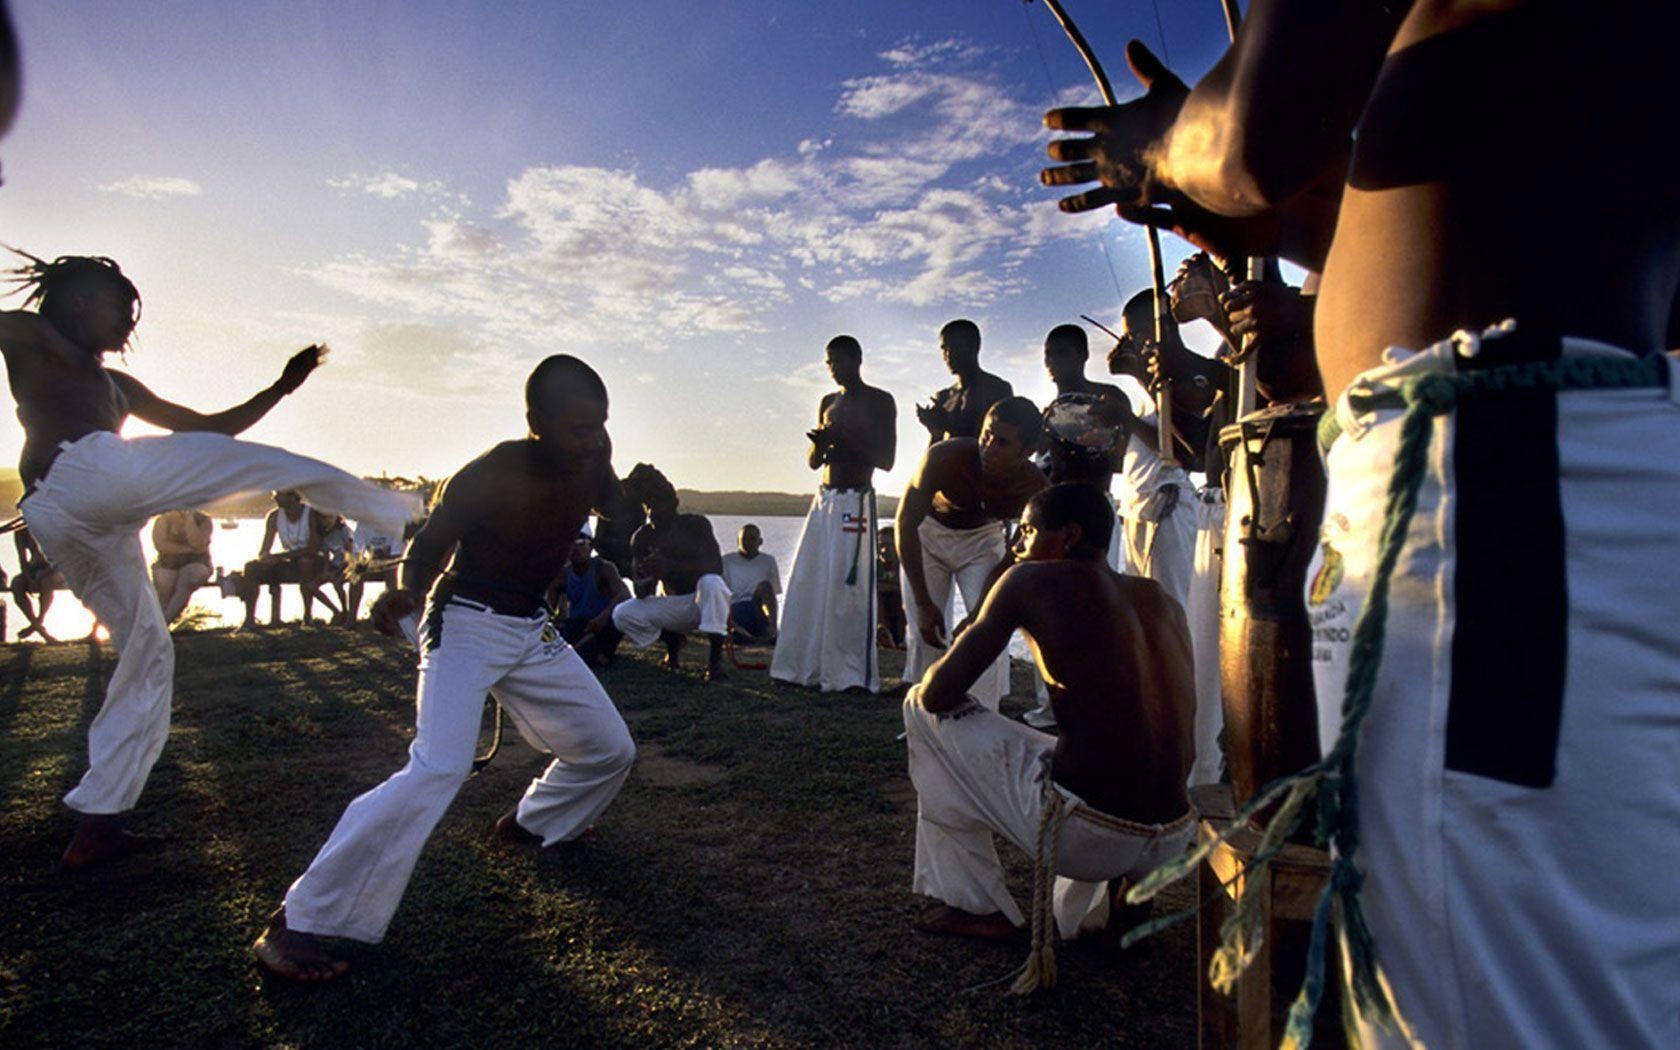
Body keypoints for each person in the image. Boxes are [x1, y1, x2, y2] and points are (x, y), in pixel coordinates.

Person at [1041, 4, 1680, 1043]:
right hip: (1550, 460)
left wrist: (1161, 147)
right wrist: (1293, 228)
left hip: (1491, 483)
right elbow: (1548, 178)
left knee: (1482, 1004)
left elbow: (1251, 138)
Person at [0, 250, 420, 871]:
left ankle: (99, 825)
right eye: (124, 310)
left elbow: (212, 427)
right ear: (81, 300)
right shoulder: (31, 335)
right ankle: (405, 515)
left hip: (83, 521)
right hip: (77, 480)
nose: (129, 328)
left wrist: (280, 387)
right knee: (262, 464)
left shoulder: (117, 386)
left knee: (148, 651)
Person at [252, 355, 635, 982]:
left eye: (600, 424)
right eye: (577, 427)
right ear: (535, 422)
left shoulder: (595, 453)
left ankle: (530, 826)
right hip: (465, 621)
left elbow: (615, 507)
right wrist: (406, 590)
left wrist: (634, 501)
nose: (592, 438)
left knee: (609, 748)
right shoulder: (493, 470)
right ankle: (298, 921)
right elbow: (429, 546)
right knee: (441, 765)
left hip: (530, 628)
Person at [903, 484, 1194, 991]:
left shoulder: (1028, 581)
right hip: (1171, 839)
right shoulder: (1159, 598)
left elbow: (939, 694)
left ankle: (975, 905)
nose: (1017, 544)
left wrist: (987, 615)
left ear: (1069, 536)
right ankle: (1119, 906)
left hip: (1091, 838)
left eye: (1030, 531)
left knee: (916, 707)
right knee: (1097, 748)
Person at [897, 397, 1046, 710]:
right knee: (928, 635)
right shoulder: (943, 457)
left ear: (1027, 451)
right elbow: (905, 522)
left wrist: (978, 613)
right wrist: (924, 603)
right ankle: (927, 720)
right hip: (928, 534)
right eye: (986, 435)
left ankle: (982, 717)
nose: (988, 447)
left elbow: (1014, 557)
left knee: (989, 630)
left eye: (1001, 442)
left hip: (984, 540)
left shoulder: (1035, 489)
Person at [771, 336, 896, 693]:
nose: (833, 368)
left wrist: (845, 439)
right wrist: (820, 442)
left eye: (838, 360)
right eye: (828, 362)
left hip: (855, 500)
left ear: (857, 359)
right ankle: (802, 665)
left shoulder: (879, 400)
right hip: (824, 500)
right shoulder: (828, 402)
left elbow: (886, 459)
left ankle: (849, 674)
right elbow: (814, 462)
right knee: (809, 580)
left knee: (847, 586)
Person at [607, 463, 731, 680]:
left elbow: (715, 567)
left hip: (701, 602)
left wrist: (671, 565)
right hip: (673, 606)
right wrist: (646, 574)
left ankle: (715, 661)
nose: (654, 511)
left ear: (672, 505)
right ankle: (671, 641)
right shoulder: (642, 537)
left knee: (712, 583)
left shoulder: (696, 525)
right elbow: (642, 594)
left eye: (659, 503)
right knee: (622, 613)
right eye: (649, 505)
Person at [237, 490, 337, 628]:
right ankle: (249, 620)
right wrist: (266, 557)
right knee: (251, 567)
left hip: (315, 561)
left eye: (280, 494)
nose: (275, 497)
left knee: (305, 562)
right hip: (289, 560)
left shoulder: (311, 515)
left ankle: (307, 616)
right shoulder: (274, 517)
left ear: (293, 496)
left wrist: (279, 557)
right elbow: (264, 548)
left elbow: (313, 548)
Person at [915, 319, 1013, 444]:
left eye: (956, 346)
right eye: (944, 348)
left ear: (974, 346)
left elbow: (1002, 442)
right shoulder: (943, 397)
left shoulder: (997, 389)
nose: (949, 354)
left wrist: (948, 425)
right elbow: (935, 449)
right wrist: (935, 429)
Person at [555, 527, 630, 651]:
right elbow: (547, 608)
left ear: (591, 546)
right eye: (570, 543)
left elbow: (625, 595)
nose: (575, 548)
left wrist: (602, 617)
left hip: (603, 624)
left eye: (580, 543)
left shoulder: (603, 568)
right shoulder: (562, 574)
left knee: (600, 638)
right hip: (578, 624)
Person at [149, 509, 213, 623]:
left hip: (197, 562)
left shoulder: (204, 521)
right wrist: (189, 549)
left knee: (189, 579)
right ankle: (158, 626)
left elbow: (198, 543)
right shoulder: (164, 520)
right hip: (168, 562)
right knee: (165, 585)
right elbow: (161, 545)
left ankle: (163, 624)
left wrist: (189, 520)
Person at [720, 522, 780, 645]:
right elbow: (719, 596)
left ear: (760, 541)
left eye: (752, 538)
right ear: (737, 541)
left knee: (765, 586)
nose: (748, 542)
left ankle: (772, 630)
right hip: (735, 609)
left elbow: (772, 595)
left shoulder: (768, 561)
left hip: (755, 608)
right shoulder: (727, 561)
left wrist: (770, 621)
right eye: (744, 539)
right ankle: (738, 632)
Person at [10, 524, 62, 641]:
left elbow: (61, 557)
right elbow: (22, 559)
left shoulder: (49, 523)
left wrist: (41, 575)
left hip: (56, 568)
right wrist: (29, 578)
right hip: (34, 568)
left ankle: (37, 624)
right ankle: (38, 627)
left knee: (46, 583)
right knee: (16, 584)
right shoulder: (20, 530)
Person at [875, 525, 905, 650]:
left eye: (888, 546)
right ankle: (883, 633)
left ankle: (902, 640)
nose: (884, 550)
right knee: (877, 597)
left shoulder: (905, 566)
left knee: (904, 599)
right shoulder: (875, 567)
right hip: (883, 613)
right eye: (881, 546)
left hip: (900, 613)